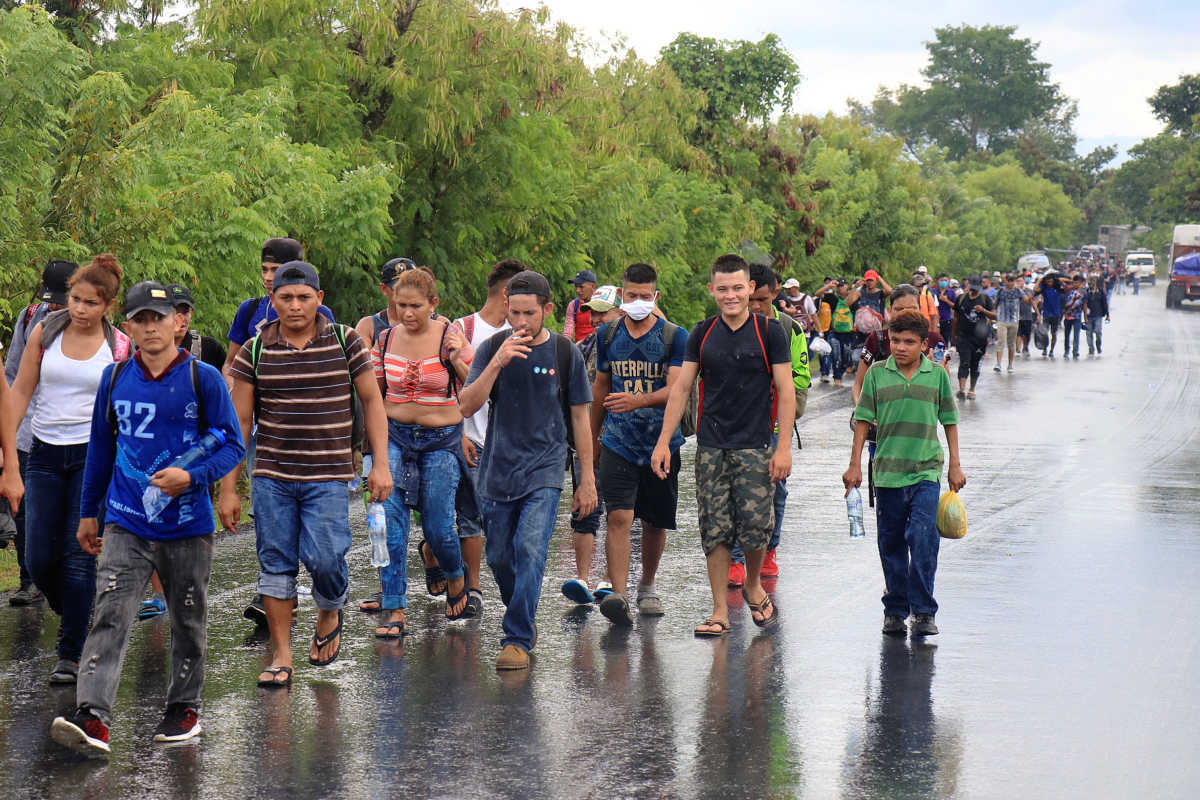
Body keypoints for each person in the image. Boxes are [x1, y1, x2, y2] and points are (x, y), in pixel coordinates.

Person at [49, 281, 245, 755]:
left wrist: (193, 477)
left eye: (159, 318)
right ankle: (92, 716)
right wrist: (88, 513)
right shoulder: (115, 379)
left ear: (177, 323)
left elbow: (232, 443)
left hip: (187, 526)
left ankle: (184, 706)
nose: (150, 327)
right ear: (130, 326)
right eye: (141, 319)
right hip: (125, 520)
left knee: (187, 618)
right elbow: (101, 449)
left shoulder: (205, 379)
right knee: (111, 614)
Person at [218, 261, 393, 688]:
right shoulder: (254, 350)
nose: (295, 306)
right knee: (274, 565)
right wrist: (228, 488)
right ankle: (281, 653)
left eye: (304, 297)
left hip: (329, 476)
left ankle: (330, 608)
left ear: (320, 299)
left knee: (325, 558)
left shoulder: (345, 340)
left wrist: (381, 464)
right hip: (272, 477)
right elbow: (240, 423)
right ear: (272, 301)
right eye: (285, 297)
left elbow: (372, 403)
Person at [458, 270, 596, 670]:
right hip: (497, 469)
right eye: (514, 313)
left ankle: (517, 637)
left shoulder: (564, 353)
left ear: (547, 310)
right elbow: (466, 405)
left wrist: (586, 479)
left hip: (545, 469)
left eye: (529, 314)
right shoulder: (493, 348)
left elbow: (581, 419)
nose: (521, 322)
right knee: (500, 556)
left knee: (530, 547)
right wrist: (496, 363)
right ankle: (522, 614)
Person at [651, 254, 794, 637]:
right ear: (712, 290)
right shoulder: (702, 333)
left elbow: (786, 389)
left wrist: (783, 448)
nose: (731, 296)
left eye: (737, 288)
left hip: (756, 445)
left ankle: (752, 584)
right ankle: (719, 610)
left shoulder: (769, 332)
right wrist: (665, 442)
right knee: (714, 528)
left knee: (755, 527)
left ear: (750, 288)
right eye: (723, 289)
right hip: (711, 446)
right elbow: (681, 388)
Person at [9, 254, 131, 684]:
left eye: (90, 303)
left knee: (79, 557)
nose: (80, 309)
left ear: (107, 307)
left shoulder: (118, 347)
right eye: (75, 300)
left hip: (93, 457)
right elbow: (20, 391)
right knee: (38, 558)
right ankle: (79, 611)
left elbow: (125, 408)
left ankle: (71, 652)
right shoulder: (45, 331)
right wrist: (9, 459)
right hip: (42, 452)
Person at [222, 237, 336, 626]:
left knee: (316, 531)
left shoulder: (324, 316)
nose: (269, 279)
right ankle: (270, 584)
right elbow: (233, 362)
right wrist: (230, 403)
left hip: (310, 436)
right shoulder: (249, 311)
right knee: (266, 507)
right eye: (265, 271)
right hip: (259, 427)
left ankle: (311, 588)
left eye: (276, 271)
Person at [844, 309, 965, 638]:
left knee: (923, 539)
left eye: (909, 342)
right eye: (895, 341)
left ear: (925, 345)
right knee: (892, 543)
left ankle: (924, 610)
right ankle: (895, 610)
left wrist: (955, 463)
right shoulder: (878, 375)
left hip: (926, 470)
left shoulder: (936, 375)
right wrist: (854, 464)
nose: (900, 347)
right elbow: (863, 421)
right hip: (887, 473)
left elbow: (950, 420)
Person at [371, 267, 473, 639]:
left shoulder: (450, 335)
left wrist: (457, 357)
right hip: (395, 437)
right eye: (401, 306)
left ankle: (455, 572)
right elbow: (373, 396)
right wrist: (368, 450)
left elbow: (474, 387)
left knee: (439, 526)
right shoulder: (384, 340)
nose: (407, 314)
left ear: (433, 304)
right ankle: (394, 606)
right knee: (390, 528)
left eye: (415, 306)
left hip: (441, 440)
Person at [585, 265, 687, 625]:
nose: (638, 302)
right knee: (619, 515)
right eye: (632, 296)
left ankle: (647, 585)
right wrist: (592, 437)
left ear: (655, 296)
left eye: (646, 296)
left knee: (654, 520)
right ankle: (619, 593)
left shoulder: (675, 336)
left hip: (662, 442)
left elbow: (676, 390)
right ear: (621, 296)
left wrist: (637, 401)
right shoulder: (609, 334)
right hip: (618, 440)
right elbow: (600, 387)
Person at [727, 263, 811, 587]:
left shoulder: (790, 329)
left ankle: (769, 551)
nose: (757, 306)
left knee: (775, 490)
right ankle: (735, 559)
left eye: (763, 299)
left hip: (775, 425)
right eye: (752, 299)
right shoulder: (730, 325)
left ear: (775, 294)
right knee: (736, 490)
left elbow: (801, 378)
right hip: (737, 423)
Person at [452, 258, 526, 616]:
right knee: (469, 516)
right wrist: (460, 431)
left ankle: (512, 590)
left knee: (504, 518)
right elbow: (454, 387)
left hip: (511, 444)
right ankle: (474, 587)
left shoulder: (523, 333)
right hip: (472, 437)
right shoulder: (463, 329)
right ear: (506, 294)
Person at [4, 259, 75, 606]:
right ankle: (29, 579)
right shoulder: (30, 316)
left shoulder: (88, 324)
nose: (57, 306)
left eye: (63, 298)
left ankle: (73, 579)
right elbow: (12, 373)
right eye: (53, 299)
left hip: (70, 433)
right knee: (25, 510)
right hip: (28, 429)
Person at [561, 284, 620, 605]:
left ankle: (611, 579)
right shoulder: (581, 349)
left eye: (603, 312)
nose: (596, 319)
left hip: (621, 442)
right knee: (584, 507)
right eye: (592, 313)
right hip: (586, 442)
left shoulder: (629, 347)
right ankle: (582, 578)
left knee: (617, 512)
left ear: (619, 312)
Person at [951, 276, 995, 400]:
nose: (974, 291)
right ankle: (961, 389)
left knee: (975, 364)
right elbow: (955, 318)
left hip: (979, 339)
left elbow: (995, 316)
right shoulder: (961, 298)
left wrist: (983, 310)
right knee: (964, 361)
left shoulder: (985, 299)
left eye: (976, 288)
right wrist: (953, 337)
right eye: (972, 288)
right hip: (963, 336)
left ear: (980, 286)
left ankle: (972, 389)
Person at [166, 284, 225, 370]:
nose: (180, 318)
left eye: (185, 312)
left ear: (191, 313)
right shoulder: (146, 349)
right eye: (174, 312)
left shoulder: (211, 349)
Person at [992, 273, 1024, 374]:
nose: (1010, 283)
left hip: (1014, 320)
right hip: (1002, 320)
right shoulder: (1000, 291)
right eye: (1008, 280)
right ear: (1005, 281)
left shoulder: (1018, 291)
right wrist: (993, 315)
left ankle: (1010, 365)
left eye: (1012, 280)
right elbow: (995, 304)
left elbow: (1026, 300)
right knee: (1001, 341)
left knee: (1011, 343)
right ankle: (998, 364)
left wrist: (1030, 299)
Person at [563, 269, 598, 344]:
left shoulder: (601, 303)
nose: (577, 290)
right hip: (580, 348)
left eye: (581, 287)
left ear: (592, 286)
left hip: (597, 347)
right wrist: (565, 344)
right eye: (576, 287)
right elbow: (568, 329)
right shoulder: (573, 305)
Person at [1034, 273, 1064, 358]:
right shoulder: (1044, 288)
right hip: (1046, 314)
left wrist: (1059, 280)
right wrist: (1039, 280)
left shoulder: (1058, 288)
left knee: (1054, 334)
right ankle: (1045, 348)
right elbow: (1035, 289)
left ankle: (1051, 350)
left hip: (1056, 315)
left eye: (1051, 281)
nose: (1049, 283)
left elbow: (1066, 285)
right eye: (1047, 281)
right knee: (1044, 333)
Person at [1084, 276, 1110, 357]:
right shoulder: (1086, 292)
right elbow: (1083, 305)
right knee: (1089, 333)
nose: (1091, 283)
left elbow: (1105, 304)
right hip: (1089, 316)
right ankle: (1091, 349)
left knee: (1098, 331)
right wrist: (1084, 316)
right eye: (1090, 282)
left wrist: (1107, 315)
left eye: (1093, 281)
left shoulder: (1101, 292)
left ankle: (1098, 345)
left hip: (1098, 315)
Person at [1062, 275, 1085, 360]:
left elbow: (1080, 304)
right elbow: (1065, 303)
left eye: (1077, 283)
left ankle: (1075, 352)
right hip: (1067, 317)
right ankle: (1066, 351)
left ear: (1081, 284)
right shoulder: (1068, 291)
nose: (1076, 284)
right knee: (1066, 336)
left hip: (1077, 317)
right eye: (1074, 282)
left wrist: (1085, 318)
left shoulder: (1082, 292)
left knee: (1076, 336)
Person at [1017, 277, 1036, 357]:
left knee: (1027, 334)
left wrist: (1038, 314)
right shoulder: (1015, 291)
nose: (1019, 282)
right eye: (1018, 281)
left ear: (1024, 282)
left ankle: (1025, 347)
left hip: (1027, 315)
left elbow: (1033, 303)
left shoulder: (1029, 291)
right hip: (1017, 316)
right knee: (1018, 333)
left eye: (1021, 281)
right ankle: (1017, 349)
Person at [935, 274, 956, 345]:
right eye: (941, 280)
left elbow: (955, 306)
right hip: (935, 321)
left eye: (945, 280)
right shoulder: (933, 291)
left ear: (948, 281)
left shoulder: (951, 292)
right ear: (938, 281)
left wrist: (946, 300)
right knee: (935, 341)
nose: (943, 282)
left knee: (945, 342)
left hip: (947, 321)